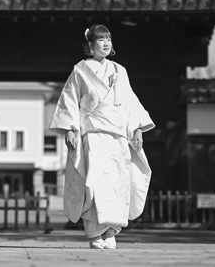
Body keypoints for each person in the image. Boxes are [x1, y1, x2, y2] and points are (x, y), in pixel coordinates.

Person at [49, 24, 155, 249]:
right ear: (90, 45)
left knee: (118, 185)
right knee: (94, 185)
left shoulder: (120, 70)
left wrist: (136, 128)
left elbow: (130, 101)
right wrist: (70, 129)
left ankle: (111, 230)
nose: (106, 43)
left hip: (118, 137)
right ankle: (95, 233)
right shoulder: (80, 70)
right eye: (101, 39)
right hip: (94, 136)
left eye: (109, 39)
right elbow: (69, 99)